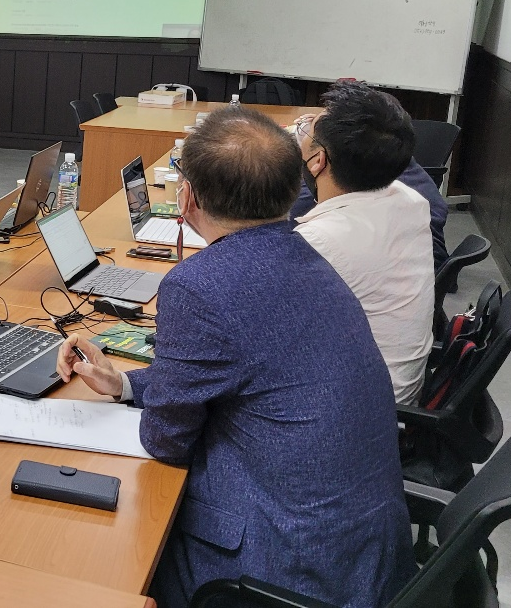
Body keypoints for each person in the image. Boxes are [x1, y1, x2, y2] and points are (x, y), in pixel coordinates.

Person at [56, 107, 413, 608]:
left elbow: (166, 440)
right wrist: (126, 384)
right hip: (363, 556)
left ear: (187, 197)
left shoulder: (199, 287)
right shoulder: (309, 259)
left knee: (95, 551)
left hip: (284, 570)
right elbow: (240, 374)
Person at [292, 81, 434, 405]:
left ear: (317, 160)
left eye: (304, 131)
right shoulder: (411, 201)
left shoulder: (319, 242)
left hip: (355, 411)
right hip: (396, 389)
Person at [291, 154, 447, 274]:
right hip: (418, 266)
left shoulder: (353, 178)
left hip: (412, 266)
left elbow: (291, 216)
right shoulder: (403, 178)